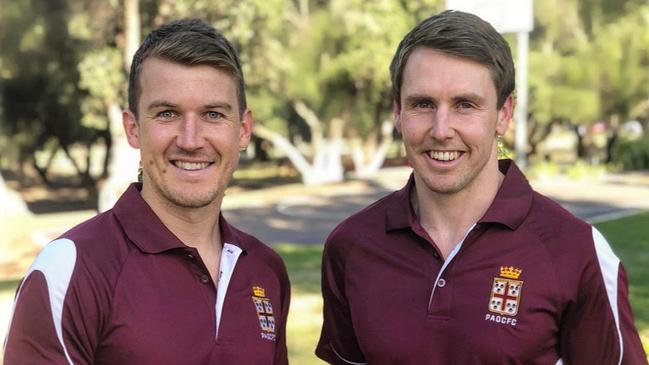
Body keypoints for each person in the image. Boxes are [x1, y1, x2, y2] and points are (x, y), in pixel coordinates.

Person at [316, 10, 647, 365]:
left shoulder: (575, 251)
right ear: (398, 112)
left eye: (465, 105)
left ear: (503, 114)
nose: (441, 129)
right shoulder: (352, 246)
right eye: (423, 104)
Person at [4, 18, 290, 364]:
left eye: (213, 114)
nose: (191, 140)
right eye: (167, 113)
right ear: (133, 128)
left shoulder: (265, 270)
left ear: (243, 130)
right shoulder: (72, 268)